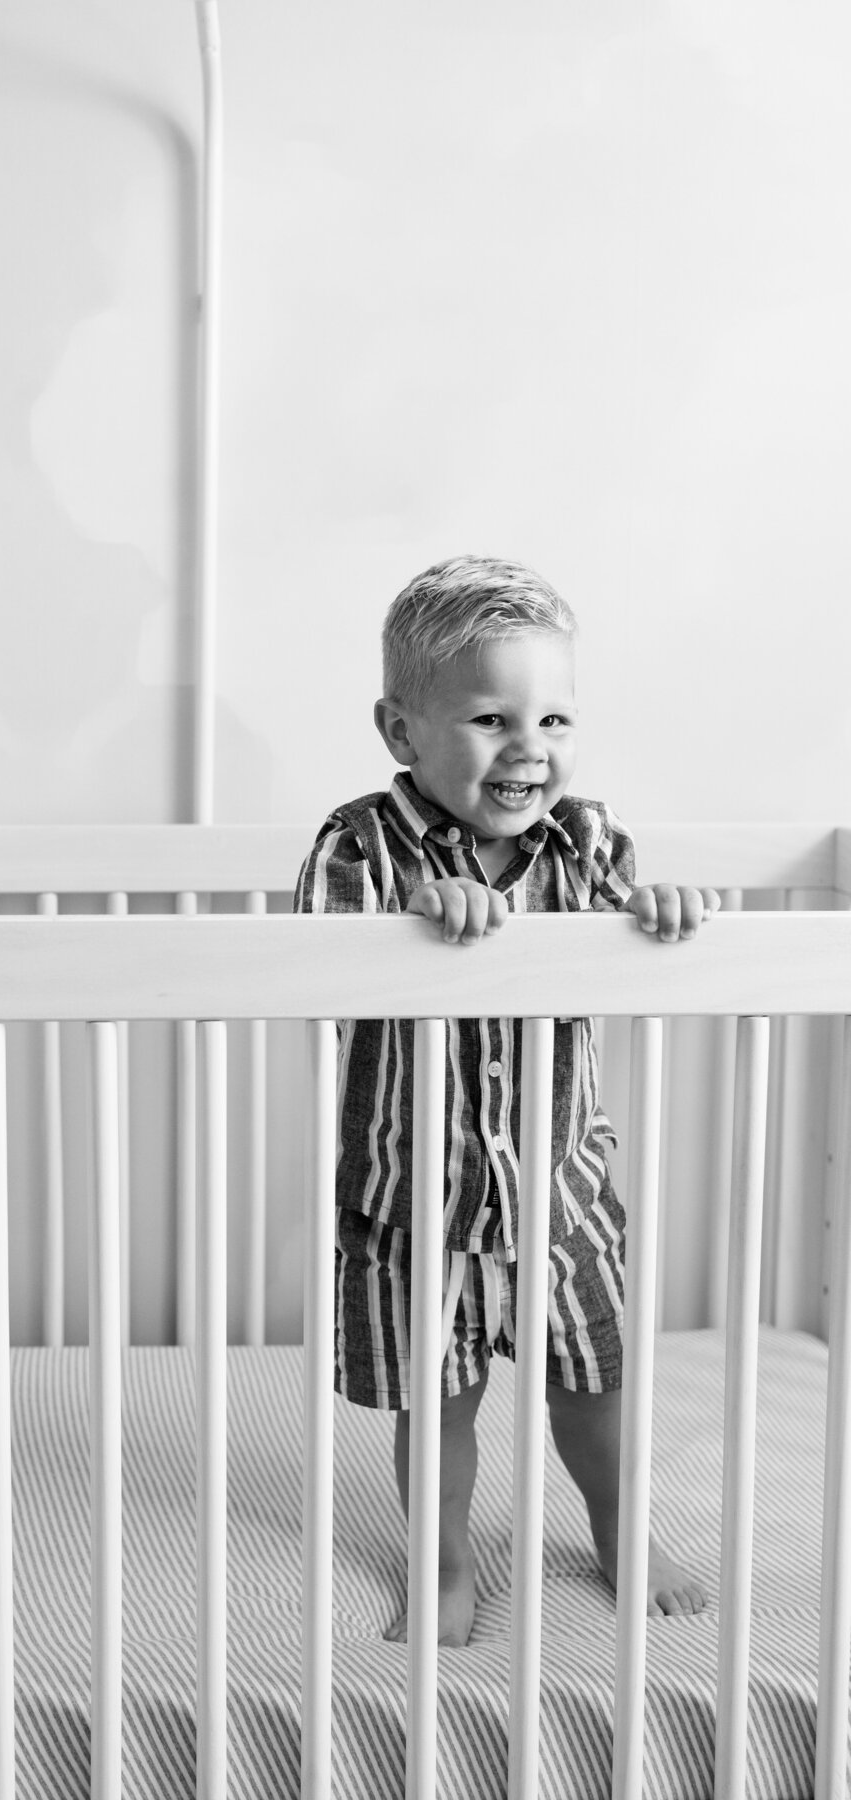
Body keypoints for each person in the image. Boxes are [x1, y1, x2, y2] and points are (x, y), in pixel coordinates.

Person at [293, 554, 719, 1646]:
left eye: (554, 717)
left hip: (559, 1197)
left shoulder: (585, 839)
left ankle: (621, 1527)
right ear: (402, 731)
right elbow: (315, 960)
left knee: (594, 1392)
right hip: (414, 1208)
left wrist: (661, 907)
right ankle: (441, 1564)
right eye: (491, 717)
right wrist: (411, 918)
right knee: (436, 1408)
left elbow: (632, 922)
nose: (530, 748)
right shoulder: (361, 845)